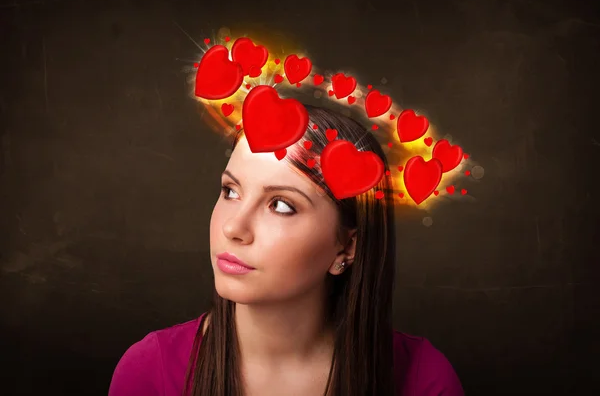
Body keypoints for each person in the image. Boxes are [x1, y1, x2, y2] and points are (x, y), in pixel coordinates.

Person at [108, 104, 464, 396]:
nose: (233, 228)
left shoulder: (423, 381)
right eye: (231, 191)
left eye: (280, 205)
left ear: (347, 246)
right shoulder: (149, 374)